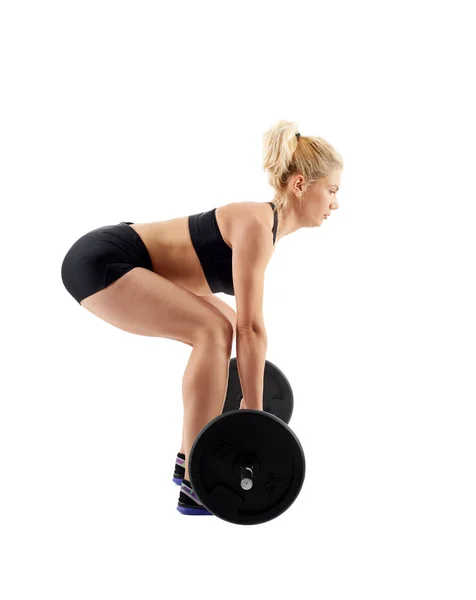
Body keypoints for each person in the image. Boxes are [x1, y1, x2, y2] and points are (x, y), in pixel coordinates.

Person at [60, 120, 343, 516]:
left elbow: (242, 326)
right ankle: (196, 478)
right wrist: (255, 416)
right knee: (212, 330)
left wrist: (251, 400)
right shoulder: (255, 225)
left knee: (220, 323)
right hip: (103, 260)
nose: (335, 203)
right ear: (300, 186)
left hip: (123, 263)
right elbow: (252, 328)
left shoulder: (266, 230)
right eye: (331, 190)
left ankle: (186, 459)